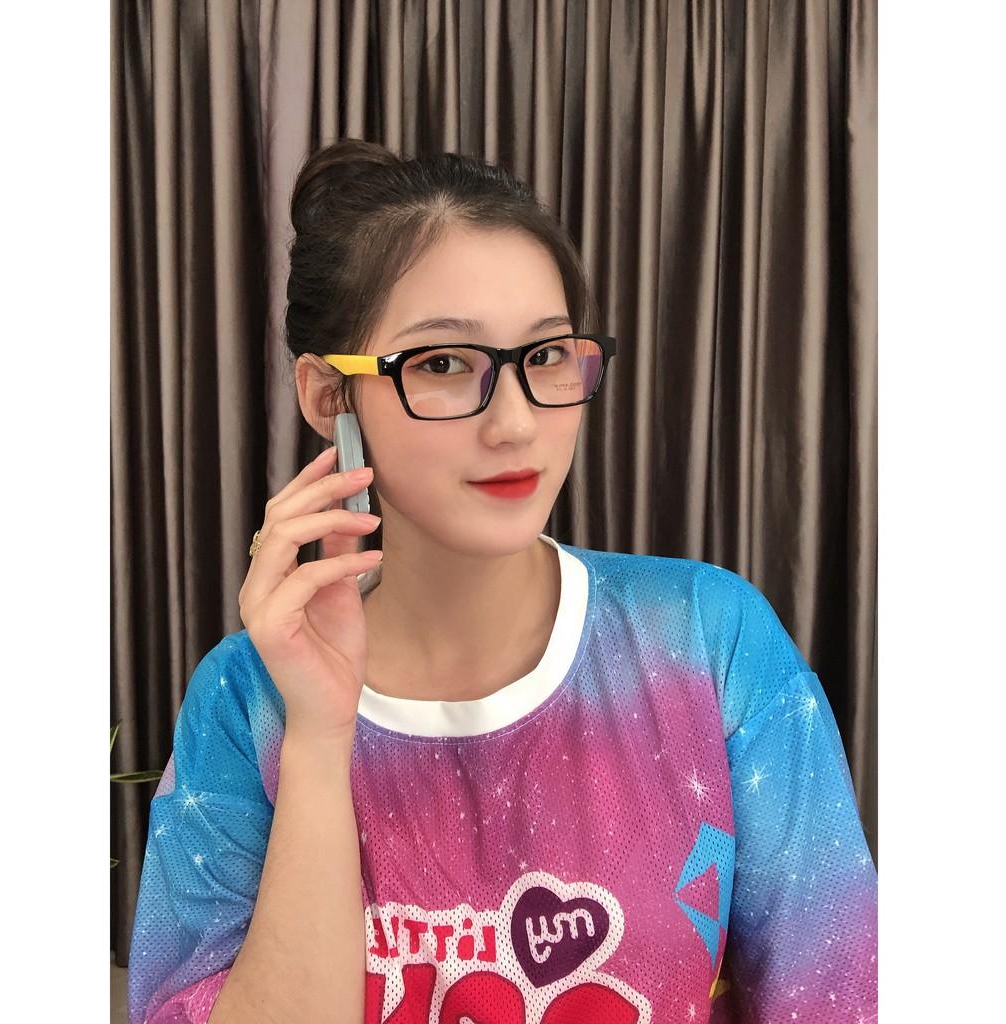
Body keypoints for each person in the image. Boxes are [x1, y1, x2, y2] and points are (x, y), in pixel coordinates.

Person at [127, 139, 878, 1024]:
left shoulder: (708, 642)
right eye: (443, 364)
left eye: (548, 355)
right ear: (330, 394)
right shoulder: (247, 699)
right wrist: (321, 743)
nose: (516, 423)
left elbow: (838, 996)